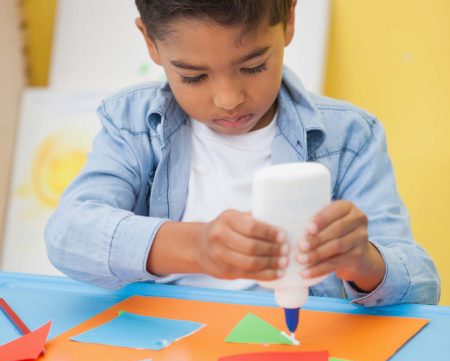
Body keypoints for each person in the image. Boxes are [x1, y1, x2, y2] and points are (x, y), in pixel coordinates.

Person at [45, 0, 440, 306]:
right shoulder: (132, 125)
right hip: (166, 354)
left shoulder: (350, 137)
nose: (228, 99)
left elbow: (423, 287)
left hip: (294, 349)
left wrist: (366, 263)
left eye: (253, 66)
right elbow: (69, 234)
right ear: (150, 41)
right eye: (193, 76)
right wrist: (196, 247)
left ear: (288, 20)